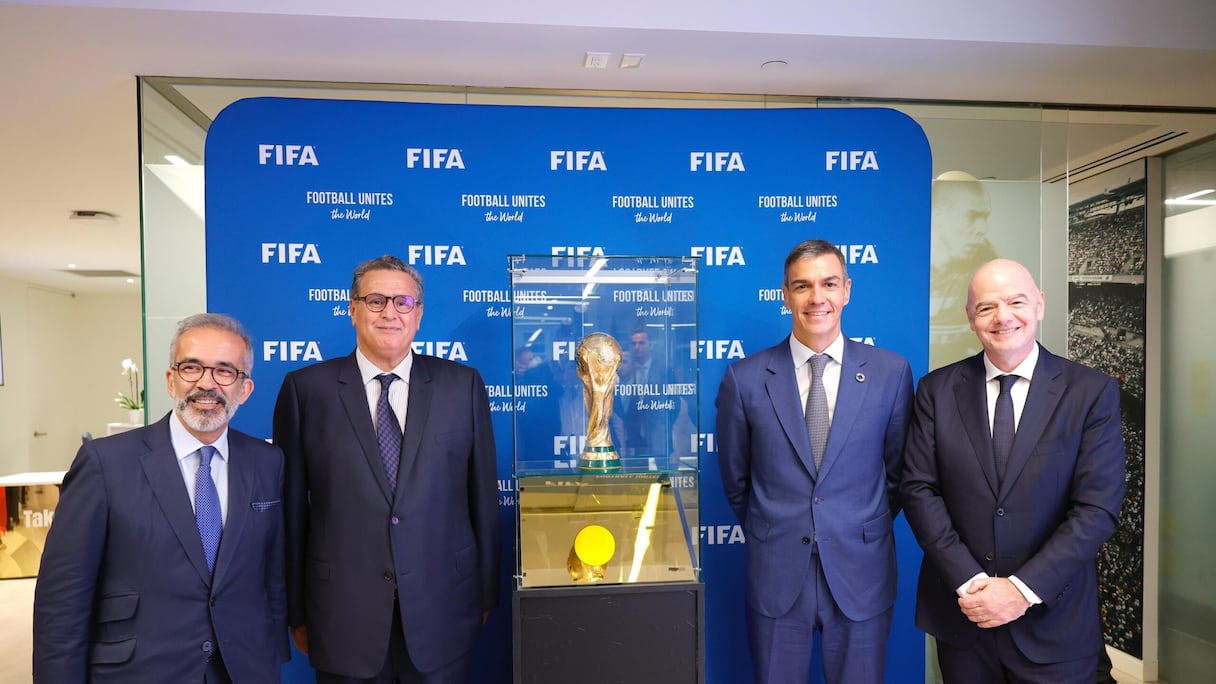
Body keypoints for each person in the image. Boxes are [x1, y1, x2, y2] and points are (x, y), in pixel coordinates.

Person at [274, 254, 500, 683]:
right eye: (375, 300)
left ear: (419, 314)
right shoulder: (306, 390)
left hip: (444, 609)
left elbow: (483, 500)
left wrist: (486, 592)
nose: (389, 313)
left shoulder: (462, 386)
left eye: (403, 302)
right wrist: (296, 610)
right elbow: (291, 513)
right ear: (352, 309)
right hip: (342, 617)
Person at [901, 258, 1126, 683]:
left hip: (1055, 625)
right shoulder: (936, 390)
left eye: (1016, 302)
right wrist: (971, 582)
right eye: (986, 307)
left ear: (1039, 304)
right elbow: (918, 489)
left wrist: (1020, 590)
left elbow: (1097, 508)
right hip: (965, 618)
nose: (1003, 317)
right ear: (970, 318)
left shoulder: (1091, 392)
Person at [33, 313, 288, 683]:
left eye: (224, 371)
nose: (206, 383)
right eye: (192, 367)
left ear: (244, 389)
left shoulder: (267, 462)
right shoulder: (105, 463)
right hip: (140, 671)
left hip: (244, 669)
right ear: (171, 380)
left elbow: (272, 576)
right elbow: (63, 598)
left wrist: (270, 655)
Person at [716, 239, 914, 684]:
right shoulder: (745, 379)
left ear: (847, 290)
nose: (816, 297)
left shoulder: (891, 373)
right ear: (785, 295)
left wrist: (852, 524)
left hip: (861, 572)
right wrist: (777, 526)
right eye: (802, 286)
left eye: (828, 283)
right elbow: (736, 479)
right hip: (777, 573)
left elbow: (899, 475)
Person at [619, 327, 669, 457]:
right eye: (633, 343)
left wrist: (663, 425)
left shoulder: (662, 370)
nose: (637, 347)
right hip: (632, 439)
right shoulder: (626, 371)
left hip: (658, 436)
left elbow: (673, 403)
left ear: (650, 345)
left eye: (641, 343)